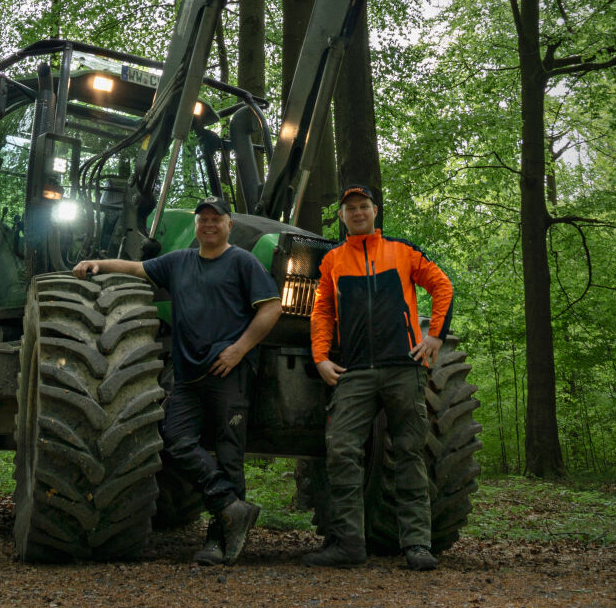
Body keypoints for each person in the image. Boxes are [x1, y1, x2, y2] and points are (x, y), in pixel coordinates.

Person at [73, 196, 281, 566]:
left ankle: (219, 541)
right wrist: (98, 264)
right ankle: (231, 506)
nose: (209, 224)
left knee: (230, 454)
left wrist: (239, 350)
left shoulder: (242, 262)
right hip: (187, 376)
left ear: (229, 225)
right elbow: (136, 268)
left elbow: (272, 307)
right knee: (174, 438)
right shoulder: (180, 261)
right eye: (203, 219)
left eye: (216, 219)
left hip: (227, 373)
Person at [302, 184, 453, 570]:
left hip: (404, 368)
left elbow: (442, 286)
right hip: (354, 372)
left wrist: (434, 335)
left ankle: (417, 545)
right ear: (342, 216)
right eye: (350, 207)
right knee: (341, 450)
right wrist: (320, 357)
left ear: (374, 211)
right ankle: (349, 544)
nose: (357, 212)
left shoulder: (402, 251)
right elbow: (322, 313)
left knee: (409, 453)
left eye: (363, 206)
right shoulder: (333, 260)